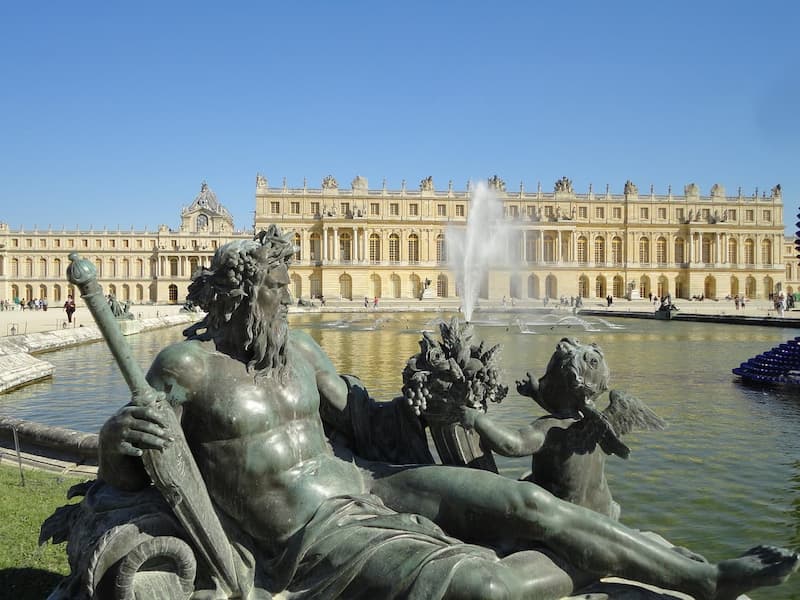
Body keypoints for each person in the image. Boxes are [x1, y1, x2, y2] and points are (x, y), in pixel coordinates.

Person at [98, 227, 798, 600]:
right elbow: (135, 474)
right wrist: (115, 439)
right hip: (308, 537)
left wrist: (435, 405)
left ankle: (705, 579)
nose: (290, 298)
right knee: (485, 585)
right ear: (238, 294)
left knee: (531, 504)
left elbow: (367, 422)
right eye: (277, 288)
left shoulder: (301, 349)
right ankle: (590, 563)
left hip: (368, 485)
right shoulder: (186, 369)